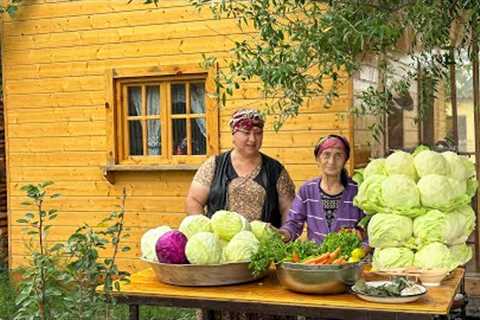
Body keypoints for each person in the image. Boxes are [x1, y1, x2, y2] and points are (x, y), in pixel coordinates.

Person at [185, 108, 296, 320]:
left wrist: (282, 236)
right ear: (233, 134)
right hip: (221, 262)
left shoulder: (275, 170)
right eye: (246, 133)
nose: (252, 139)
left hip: (261, 262)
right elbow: (193, 200)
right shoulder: (214, 165)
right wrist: (204, 235)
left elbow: (289, 211)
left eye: (258, 133)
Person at [279, 134, 365, 243]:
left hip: (350, 258)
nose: (331, 161)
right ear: (318, 159)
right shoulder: (307, 190)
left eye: (338, 155)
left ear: (345, 160)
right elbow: (294, 223)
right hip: (317, 258)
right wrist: (283, 235)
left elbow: (367, 227)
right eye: (326, 155)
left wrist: (361, 235)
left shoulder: (357, 191)